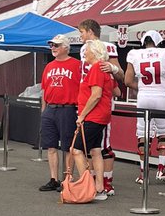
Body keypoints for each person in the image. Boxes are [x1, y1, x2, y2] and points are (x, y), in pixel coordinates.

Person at [125, 30, 165, 184]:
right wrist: (164, 87)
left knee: (143, 134)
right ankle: (162, 170)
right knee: (163, 133)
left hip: (143, 97)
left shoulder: (134, 54)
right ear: (158, 42)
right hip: (161, 96)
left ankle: (144, 174)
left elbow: (128, 81)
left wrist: (143, 88)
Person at [77, 17, 123, 196]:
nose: (80, 36)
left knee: (103, 146)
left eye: (82, 32)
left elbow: (119, 74)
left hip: (97, 105)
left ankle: (104, 183)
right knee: (94, 148)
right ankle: (98, 184)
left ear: (90, 31)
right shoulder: (85, 50)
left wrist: (112, 69)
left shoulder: (103, 49)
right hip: (90, 101)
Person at [73, 39, 116, 202]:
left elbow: (96, 94)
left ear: (95, 52)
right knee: (96, 150)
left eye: (88, 50)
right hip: (100, 115)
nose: (85, 53)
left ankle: (87, 184)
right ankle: (99, 187)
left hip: (93, 116)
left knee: (77, 150)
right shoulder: (101, 68)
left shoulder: (97, 68)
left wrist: (82, 114)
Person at [38, 36, 81, 192]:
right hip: (51, 108)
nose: (53, 48)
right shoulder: (49, 66)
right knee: (50, 145)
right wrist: (44, 110)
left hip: (68, 108)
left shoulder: (77, 65)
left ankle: (67, 177)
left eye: (56, 45)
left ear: (65, 47)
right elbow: (44, 89)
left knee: (68, 146)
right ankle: (54, 179)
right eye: (51, 45)